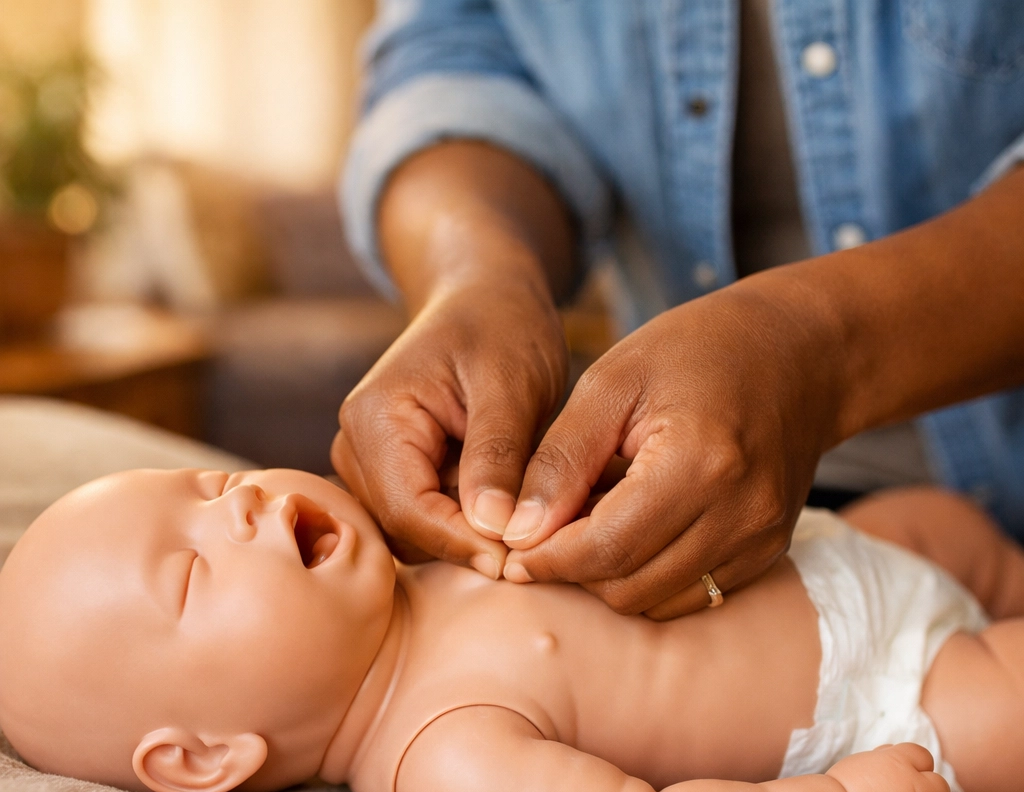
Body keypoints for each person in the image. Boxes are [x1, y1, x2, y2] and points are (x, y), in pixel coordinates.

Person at [3, 467, 1024, 792]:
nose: (242, 507)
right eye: (191, 575)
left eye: (207, 486)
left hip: (835, 552)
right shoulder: (441, 751)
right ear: (205, 755)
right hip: (891, 697)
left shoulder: (420, 544)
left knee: (953, 527)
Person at [333, 0, 1024, 619]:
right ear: (223, 757)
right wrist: (477, 274)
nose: (244, 503)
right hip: (691, 514)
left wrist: (818, 349)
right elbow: (456, 54)